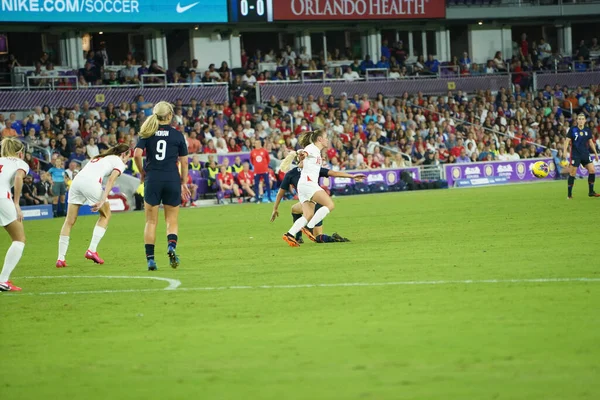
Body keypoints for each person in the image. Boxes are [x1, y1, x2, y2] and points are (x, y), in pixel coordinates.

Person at [134, 101, 190, 271]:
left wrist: (142, 172)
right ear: (170, 116)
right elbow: (185, 161)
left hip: (153, 178)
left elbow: (136, 154)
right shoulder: (177, 135)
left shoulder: (147, 132)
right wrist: (184, 182)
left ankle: (151, 260)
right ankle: (171, 247)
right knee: (171, 220)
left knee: (151, 222)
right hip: (172, 179)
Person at [56, 144, 130, 268]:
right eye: (128, 156)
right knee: (106, 215)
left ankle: (60, 258)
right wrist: (102, 200)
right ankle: (92, 250)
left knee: (69, 221)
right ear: (123, 154)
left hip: (77, 182)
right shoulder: (119, 162)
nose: (128, 159)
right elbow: (111, 180)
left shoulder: (100, 157)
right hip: (90, 183)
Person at [272, 151, 365, 244]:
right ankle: (304, 236)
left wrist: (275, 208)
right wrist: (352, 176)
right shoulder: (314, 169)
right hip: (317, 202)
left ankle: (301, 236)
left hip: (309, 203)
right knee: (314, 233)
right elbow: (334, 173)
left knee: (296, 211)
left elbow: (280, 193)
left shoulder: (291, 174)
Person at [282, 130, 353, 247]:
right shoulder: (312, 148)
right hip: (309, 184)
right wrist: (303, 154)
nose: (327, 140)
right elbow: (305, 152)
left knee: (308, 214)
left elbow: (306, 155)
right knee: (330, 205)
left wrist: (304, 156)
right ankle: (309, 227)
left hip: (303, 185)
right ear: (319, 139)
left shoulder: (316, 152)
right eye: (326, 137)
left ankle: (289, 234)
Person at [0, 138, 28, 291]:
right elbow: (18, 177)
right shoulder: (20, 163)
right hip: (2, 198)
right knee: (19, 239)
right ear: (20, 153)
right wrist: (16, 203)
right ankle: (3, 280)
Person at [563, 113, 600, 199]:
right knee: (572, 173)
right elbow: (567, 141)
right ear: (577, 120)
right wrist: (564, 151)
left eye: (582, 119)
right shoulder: (573, 129)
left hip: (585, 154)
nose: (580, 120)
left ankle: (591, 192)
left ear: (584, 120)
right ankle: (569, 195)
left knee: (592, 170)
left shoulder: (587, 130)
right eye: (579, 119)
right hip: (576, 155)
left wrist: (595, 154)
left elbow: (591, 142)